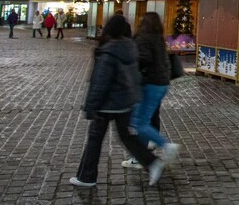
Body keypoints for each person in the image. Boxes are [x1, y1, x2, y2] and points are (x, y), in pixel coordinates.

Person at [70, 15, 167, 187]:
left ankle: (87, 176)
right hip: (124, 102)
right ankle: (151, 162)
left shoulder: (108, 50)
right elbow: (135, 76)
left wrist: (91, 107)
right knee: (127, 138)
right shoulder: (130, 47)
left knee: (95, 139)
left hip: (107, 104)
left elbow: (100, 82)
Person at [122, 12, 180, 169]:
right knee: (142, 121)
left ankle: (163, 146)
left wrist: (135, 71)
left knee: (138, 122)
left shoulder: (143, 38)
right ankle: (140, 156)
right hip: (161, 83)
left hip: (149, 84)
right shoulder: (158, 38)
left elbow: (144, 59)